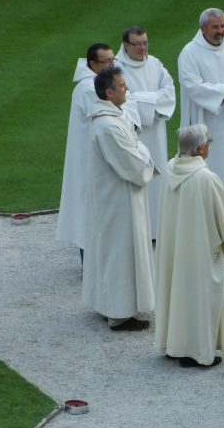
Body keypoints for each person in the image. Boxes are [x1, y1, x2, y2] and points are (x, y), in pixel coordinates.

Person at [155, 124, 224, 368]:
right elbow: (223, 214)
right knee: (198, 296)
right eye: (208, 142)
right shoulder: (206, 178)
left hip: (174, 245)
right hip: (199, 248)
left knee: (175, 292)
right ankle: (196, 351)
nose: (210, 145)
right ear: (201, 149)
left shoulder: (171, 169)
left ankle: (175, 344)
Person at [83, 67, 156, 331]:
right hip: (118, 199)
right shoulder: (108, 126)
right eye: (122, 86)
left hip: (115, 197)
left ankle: (110, 304)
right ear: (108, 92)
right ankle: (119, 312)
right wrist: (144, 151)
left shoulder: (112, 118)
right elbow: (134, 163)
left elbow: (135, 147)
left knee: (113, 250)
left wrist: (139, 148)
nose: (127, 89)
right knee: (119, 252)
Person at [57, 43, 140, 261]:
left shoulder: (99, 84)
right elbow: (116, 110)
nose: (112, 64)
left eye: (114, 60)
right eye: (107, 61)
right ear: (93, 64)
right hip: (91, 160)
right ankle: (93, 264)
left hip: (97, 155)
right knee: (91, 212)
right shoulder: (88, 88)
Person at [178, 8, 224, 220]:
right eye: (215, 27)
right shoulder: (189, 52)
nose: (220, 31)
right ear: (203, 29)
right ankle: (202, 212)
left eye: (223, 26)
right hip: (201, 117)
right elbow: (192, 85)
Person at [116, 26, 176, 235]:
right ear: (126, 46)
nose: (142, 48)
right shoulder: (116, 70)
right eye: (137, 44)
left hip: (157, 134)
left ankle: (158, 229)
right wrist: (152, 100)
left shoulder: (155, 64)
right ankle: (138, 231)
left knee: (158, 179)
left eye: (145, 43)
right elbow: (124, 101)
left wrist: (143, 99)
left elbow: (169, 94)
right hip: (134, 136)